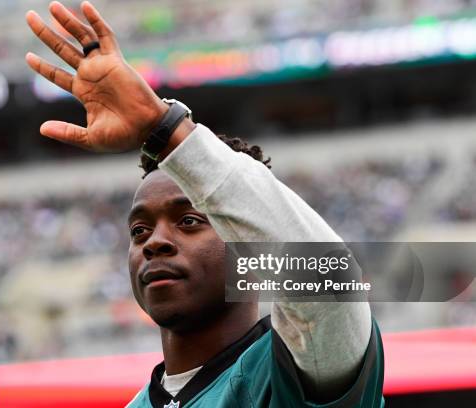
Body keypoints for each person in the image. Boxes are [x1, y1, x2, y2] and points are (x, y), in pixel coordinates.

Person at [25, 2, 384, 407]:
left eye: (191, 220)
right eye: (139, 230)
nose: (154, 242)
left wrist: (164, 129)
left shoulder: (298, 371)